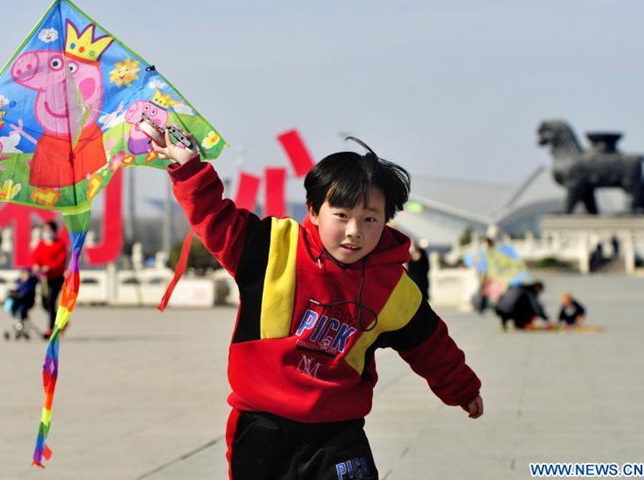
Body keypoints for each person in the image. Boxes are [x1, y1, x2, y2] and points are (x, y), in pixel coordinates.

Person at [152, 131, 483, 480]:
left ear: (387, 220)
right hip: (262, 427)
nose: (354, 230)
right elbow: (215, 218)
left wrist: (462, 389)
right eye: (341, 215)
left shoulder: (394, 289)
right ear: (313, 211)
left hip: (339, 434)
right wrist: (189, 169)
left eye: (370, 219)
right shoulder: (272, 247)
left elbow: (430, 344)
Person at [30, 220, 68, 339]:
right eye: (44, 230)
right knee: (45, 304)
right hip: (44, 279)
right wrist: (35, 265)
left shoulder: (60, 244)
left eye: (48, 230)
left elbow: (61, 261)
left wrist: (49, 267)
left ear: (54, 231)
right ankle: (62, 323)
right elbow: (34, 257)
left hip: (56, 277)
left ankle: (51, 329)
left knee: (51, 302)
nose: (46, 232)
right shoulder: (41, 244)